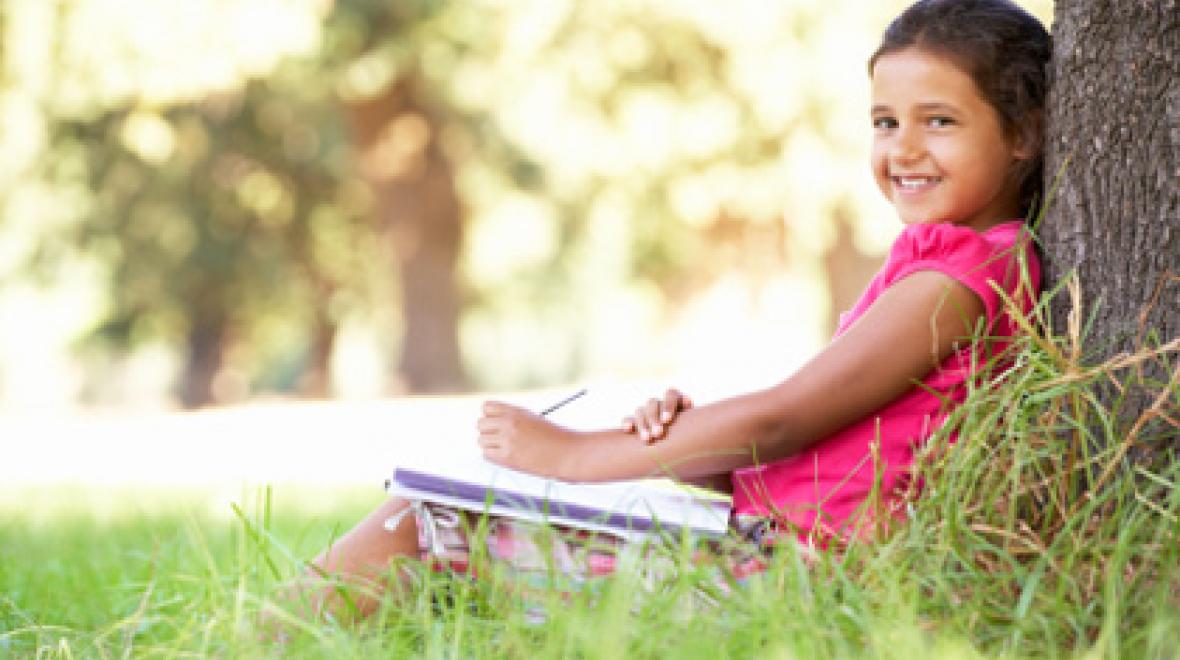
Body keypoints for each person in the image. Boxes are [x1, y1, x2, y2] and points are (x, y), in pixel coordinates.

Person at [306, 0, 1049, 618]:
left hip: (792, 575)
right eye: (885, 122)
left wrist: (572, 456)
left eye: (939, 121)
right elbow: (848, 445)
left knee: (419, 523)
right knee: (436, 525)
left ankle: (260, 639)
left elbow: (782, 419)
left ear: (1022, 134)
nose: (903, 149)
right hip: (773, 543)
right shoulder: (947, 262)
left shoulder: (960, 277)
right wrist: (697, 456)